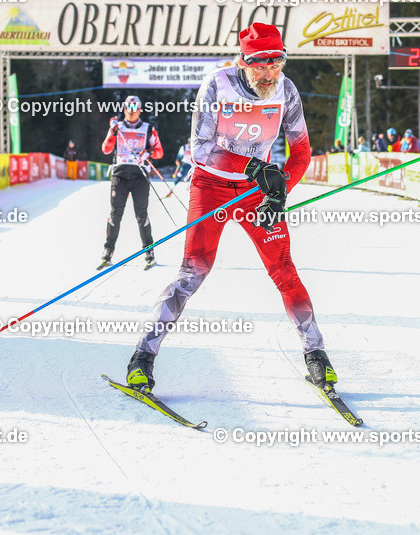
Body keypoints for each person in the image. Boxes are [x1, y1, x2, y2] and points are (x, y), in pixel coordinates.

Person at [125, 22, 337, 396]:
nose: (269, 74)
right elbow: (200, 149)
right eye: (260, 65)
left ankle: (316, 353)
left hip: (256, 192)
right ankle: (143, 357)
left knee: (284, 271)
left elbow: (302, 150)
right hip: (211, 187)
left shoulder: (286, 90)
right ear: (243, 61)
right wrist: (253, 167)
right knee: (193, 273)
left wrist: (279, 191)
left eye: (277, 63)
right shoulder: (217, 85)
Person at [99, 96, 163, 269]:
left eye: (135, 107)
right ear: (124, 109)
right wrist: (112, 132)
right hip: (120, 175)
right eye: (129, 107)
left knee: (141, 214)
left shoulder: (148, 129)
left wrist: (149, 153)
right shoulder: (117, 127)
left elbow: (159, 152)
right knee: (115, 214)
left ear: (140, 110)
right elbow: (106, 149)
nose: (132, 111)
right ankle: (108, 249)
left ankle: (149, 250)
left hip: (140, 176)